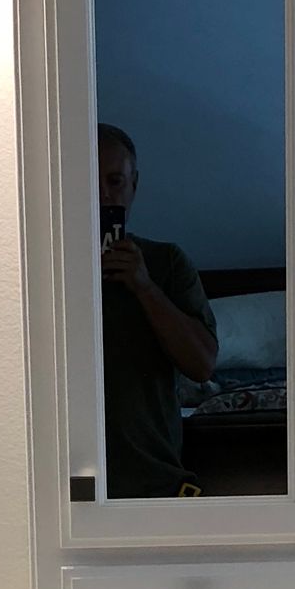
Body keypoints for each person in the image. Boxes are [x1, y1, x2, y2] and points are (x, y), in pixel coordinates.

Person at [96, 121, 219, 498]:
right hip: (61, 482)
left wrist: (144, 286)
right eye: (88, 181)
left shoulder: (166, 263)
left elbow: (201, 366)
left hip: (156, 481)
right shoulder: (41, 268)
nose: (103, 196)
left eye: (115, 181)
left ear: (135, 186)